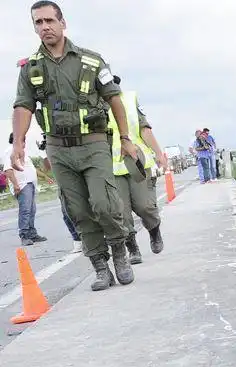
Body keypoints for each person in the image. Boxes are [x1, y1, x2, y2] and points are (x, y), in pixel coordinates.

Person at [10, 1, 140, 291]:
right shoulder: (31, 68)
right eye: (38, 23)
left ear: (62, 23)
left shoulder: (91, 61)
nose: (44, 27)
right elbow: (23, 106)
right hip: (58, 148)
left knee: (104, 204)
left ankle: (120, 251)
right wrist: (18, 143)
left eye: (48, 21)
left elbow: (114, 99)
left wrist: (126, 139)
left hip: (93, 144)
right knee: (77, 210)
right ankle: (100, 267)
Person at [106, 76, 166, 264]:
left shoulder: (129, 100)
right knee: (121, 212)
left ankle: (154, 230)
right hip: (112, 167)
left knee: (144, 205)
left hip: (137, 162)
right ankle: (132, 247)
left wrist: (159, 154)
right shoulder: (94, 105)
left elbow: (144, 129)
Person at [2, 133, 48, 247]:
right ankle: (24, 235)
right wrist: (16, 185)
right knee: (25, 211)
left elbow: (31, 168)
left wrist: (45, 176)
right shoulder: (10, 151)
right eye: (22, 141)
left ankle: (32, 234)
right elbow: (8, 170)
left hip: (30, 184)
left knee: (32, 210)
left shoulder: (23, 153)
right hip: (22, 185)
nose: (24, 144)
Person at [39, 135, 82, 252]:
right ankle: (77, 239)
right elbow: (47, 167)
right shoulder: (49, 141)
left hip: (82, 171)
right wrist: (45, 152)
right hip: (64, 178)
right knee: (67, 210)